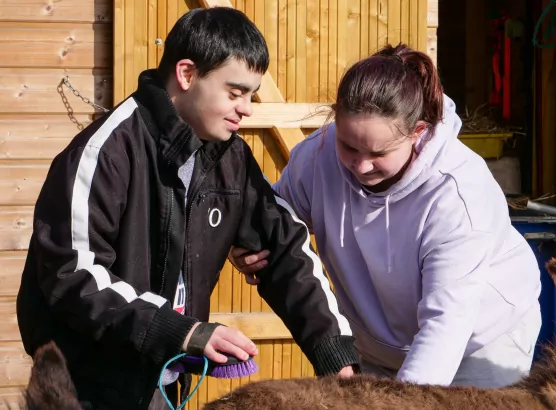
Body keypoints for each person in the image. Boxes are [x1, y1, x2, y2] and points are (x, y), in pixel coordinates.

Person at [16, 7, 358, 410]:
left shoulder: (230, 158)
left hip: (164, 383)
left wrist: (335, 356)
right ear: (186, 74)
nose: (247, 108)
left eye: (251, 93)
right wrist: (183, 333)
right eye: (235, 93)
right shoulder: (105, 152)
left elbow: (286, 250)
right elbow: (72, 274)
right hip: (84, 388)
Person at [229, 43, 543, 389]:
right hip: (377, 346)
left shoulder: (457, 195)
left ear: (418, 133)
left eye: (379, 152)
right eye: (348, 145)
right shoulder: (316, 158)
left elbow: (446, 325)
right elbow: (275, 223)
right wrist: (249, 245)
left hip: (477, 343)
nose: (361, 165)